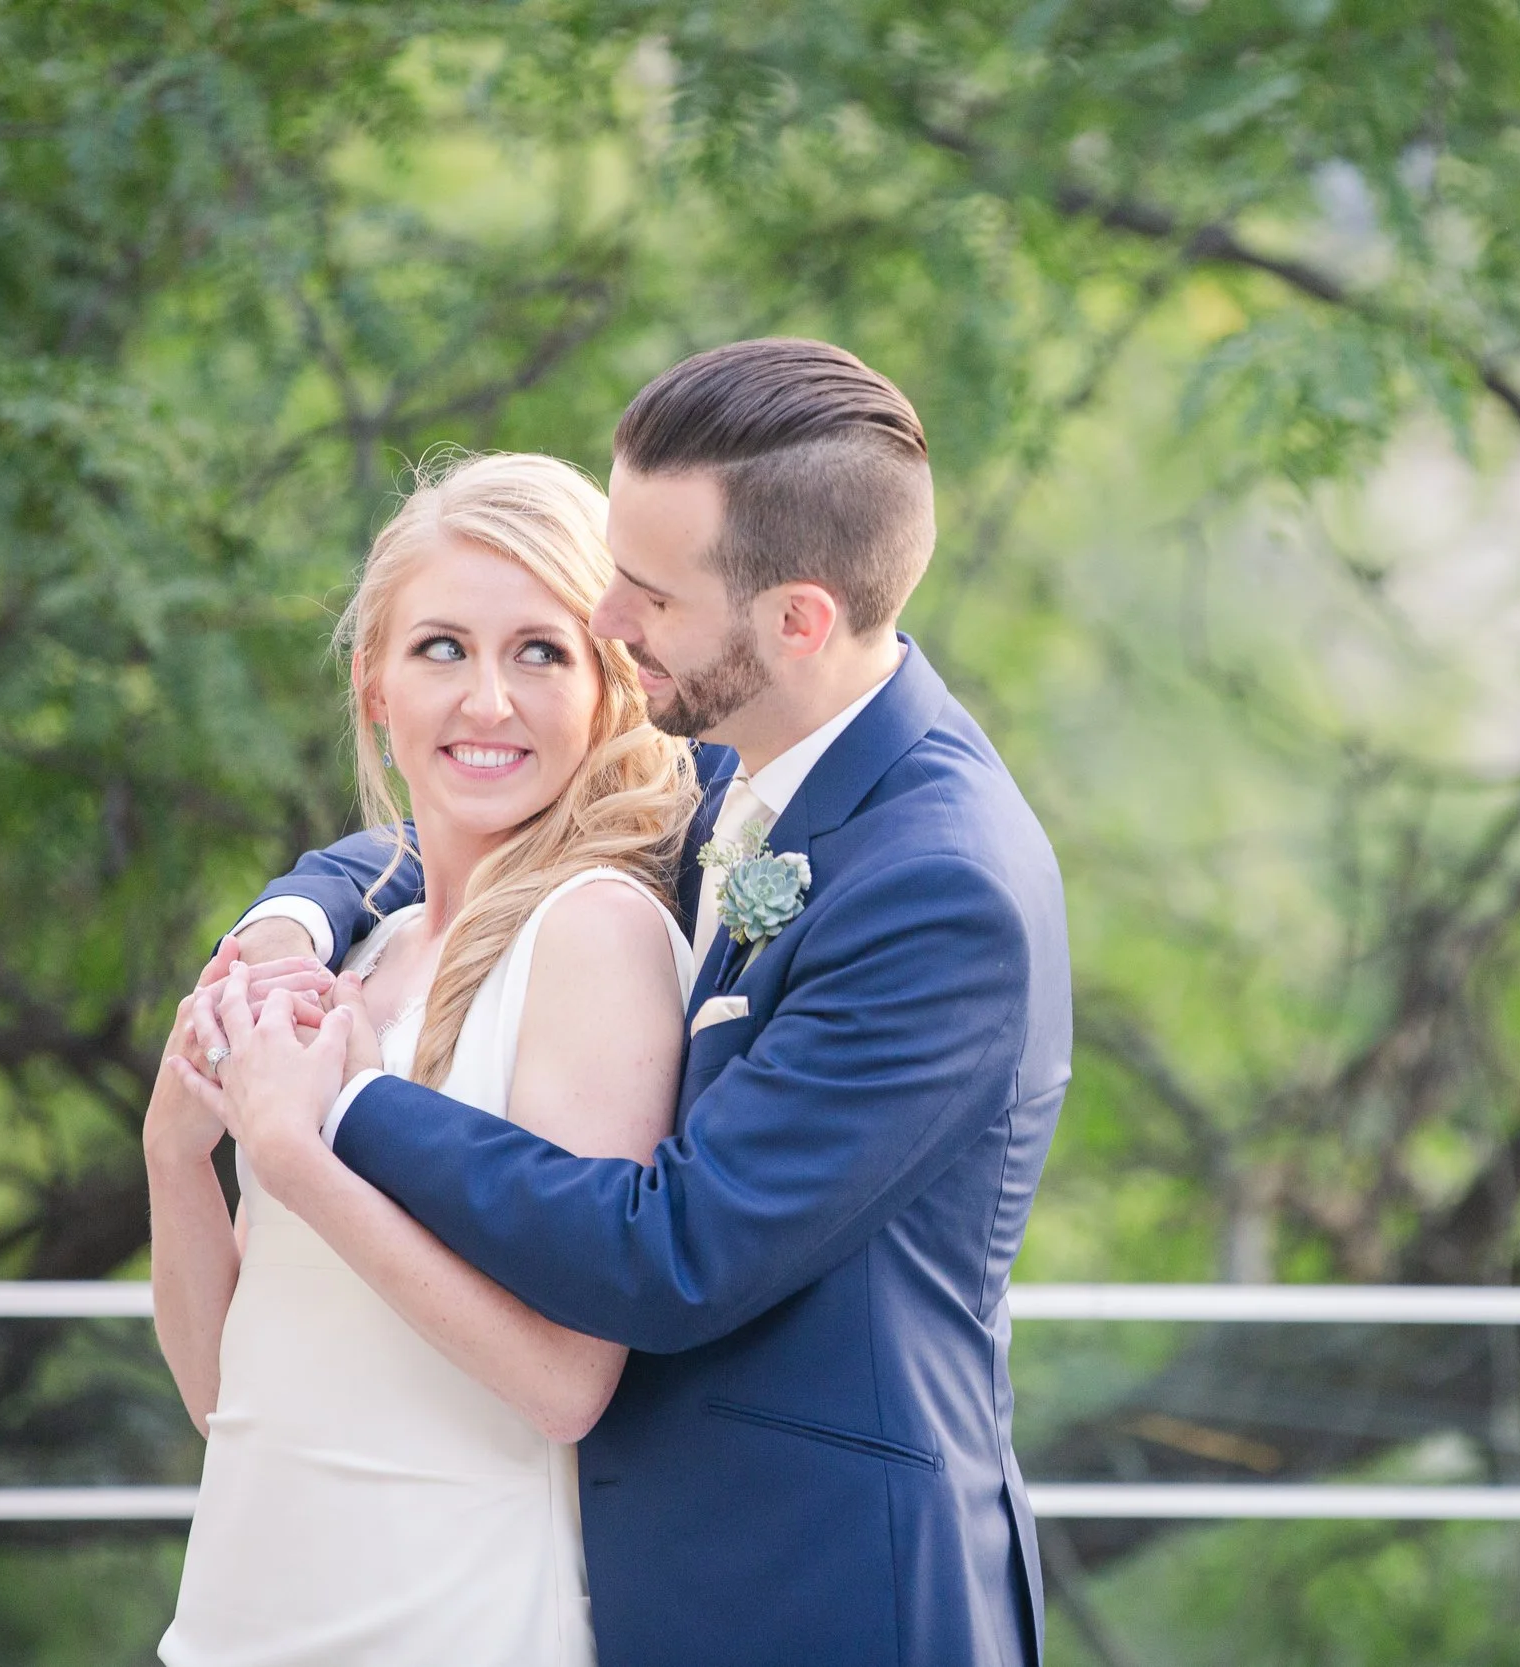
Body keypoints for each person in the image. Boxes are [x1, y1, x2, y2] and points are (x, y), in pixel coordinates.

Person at [197, 339, 1071, 1666]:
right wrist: (291, 918)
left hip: (822, 1595)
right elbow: (472, 815)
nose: (609, 617)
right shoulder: (743, 761)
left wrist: (347, 1105)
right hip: (620, 1584)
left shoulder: (941, 887)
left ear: (797, 618)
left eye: (649, 594)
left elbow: (678, 1254)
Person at [146, 451, 700, 1666]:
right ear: (375, 688)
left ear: (611, 690)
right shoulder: (366, 953)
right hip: (240, 1618)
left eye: (540, 651)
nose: (488, 700)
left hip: (453, 1622)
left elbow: (565, 1381)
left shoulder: (592, 935)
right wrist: (176, 1156)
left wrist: (300, 1153)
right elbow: (227, 1399)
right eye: (442, 647)